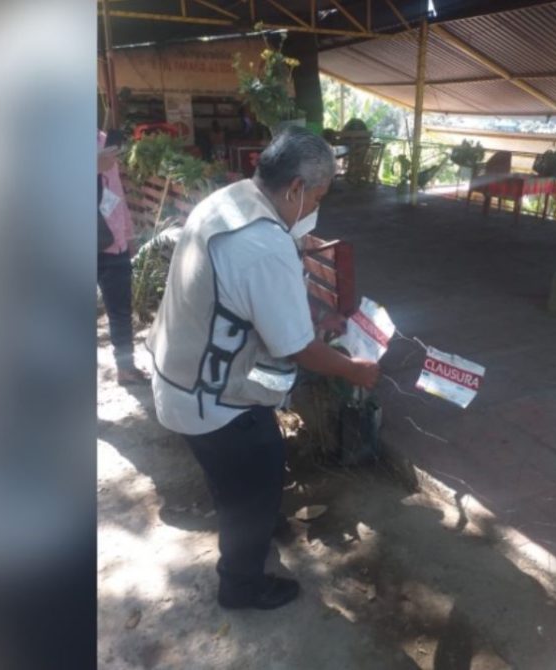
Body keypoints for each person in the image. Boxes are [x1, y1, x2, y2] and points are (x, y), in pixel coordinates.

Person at [147, 127, 380, 610]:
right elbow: (299, 349)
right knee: (258, 476)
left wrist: (309, 322)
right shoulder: (262, 244)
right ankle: (241, 584)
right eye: (318, 196)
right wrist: (353, 369)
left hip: (180, 376)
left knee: (234, 477)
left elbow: (246, 301)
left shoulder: (231, 200)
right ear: (295, 187)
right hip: (211, 400)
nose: (316, 207)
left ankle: (252, 519)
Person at [97, 128, 148, 385]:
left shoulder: (103, 140)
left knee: (120, 310)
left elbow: (116, 193)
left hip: (113, 244)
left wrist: (128, 235)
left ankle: (125, 368)